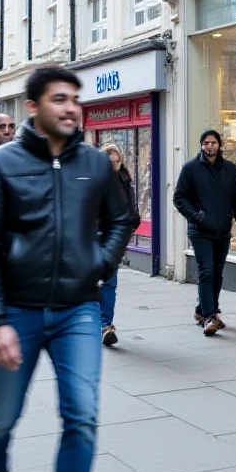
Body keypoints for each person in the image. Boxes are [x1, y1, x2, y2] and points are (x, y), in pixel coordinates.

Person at [0, 66, 131, 472]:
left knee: (82, 417)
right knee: (1, 418)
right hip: (16, 311)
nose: (71, 108)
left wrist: (101, 262)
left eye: (75, 100)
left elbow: (122, 219)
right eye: (59, 99)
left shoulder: (95, 164)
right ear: (33, 107)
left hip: (78, 310)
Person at [173, 129, 236, 336]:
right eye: (206, 143)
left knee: (217, 273)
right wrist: (196, 216)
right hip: (200, 230)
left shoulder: (230, 169)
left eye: (213, 142)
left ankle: (204, 310)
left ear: (219, 145)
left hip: (222, 230)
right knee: (206, 271)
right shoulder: (191, 169)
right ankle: (209, 316)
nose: (210, 146)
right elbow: (179, 197)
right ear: (202, 146)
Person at [98, 143, 141, 347]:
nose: (113, 164)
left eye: (117, 160)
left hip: (114, 237)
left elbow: (130, 206)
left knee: (110, 282)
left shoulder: (125, 180)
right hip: (95, 235)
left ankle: (106, 325)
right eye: (109, 160)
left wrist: (134, 220)